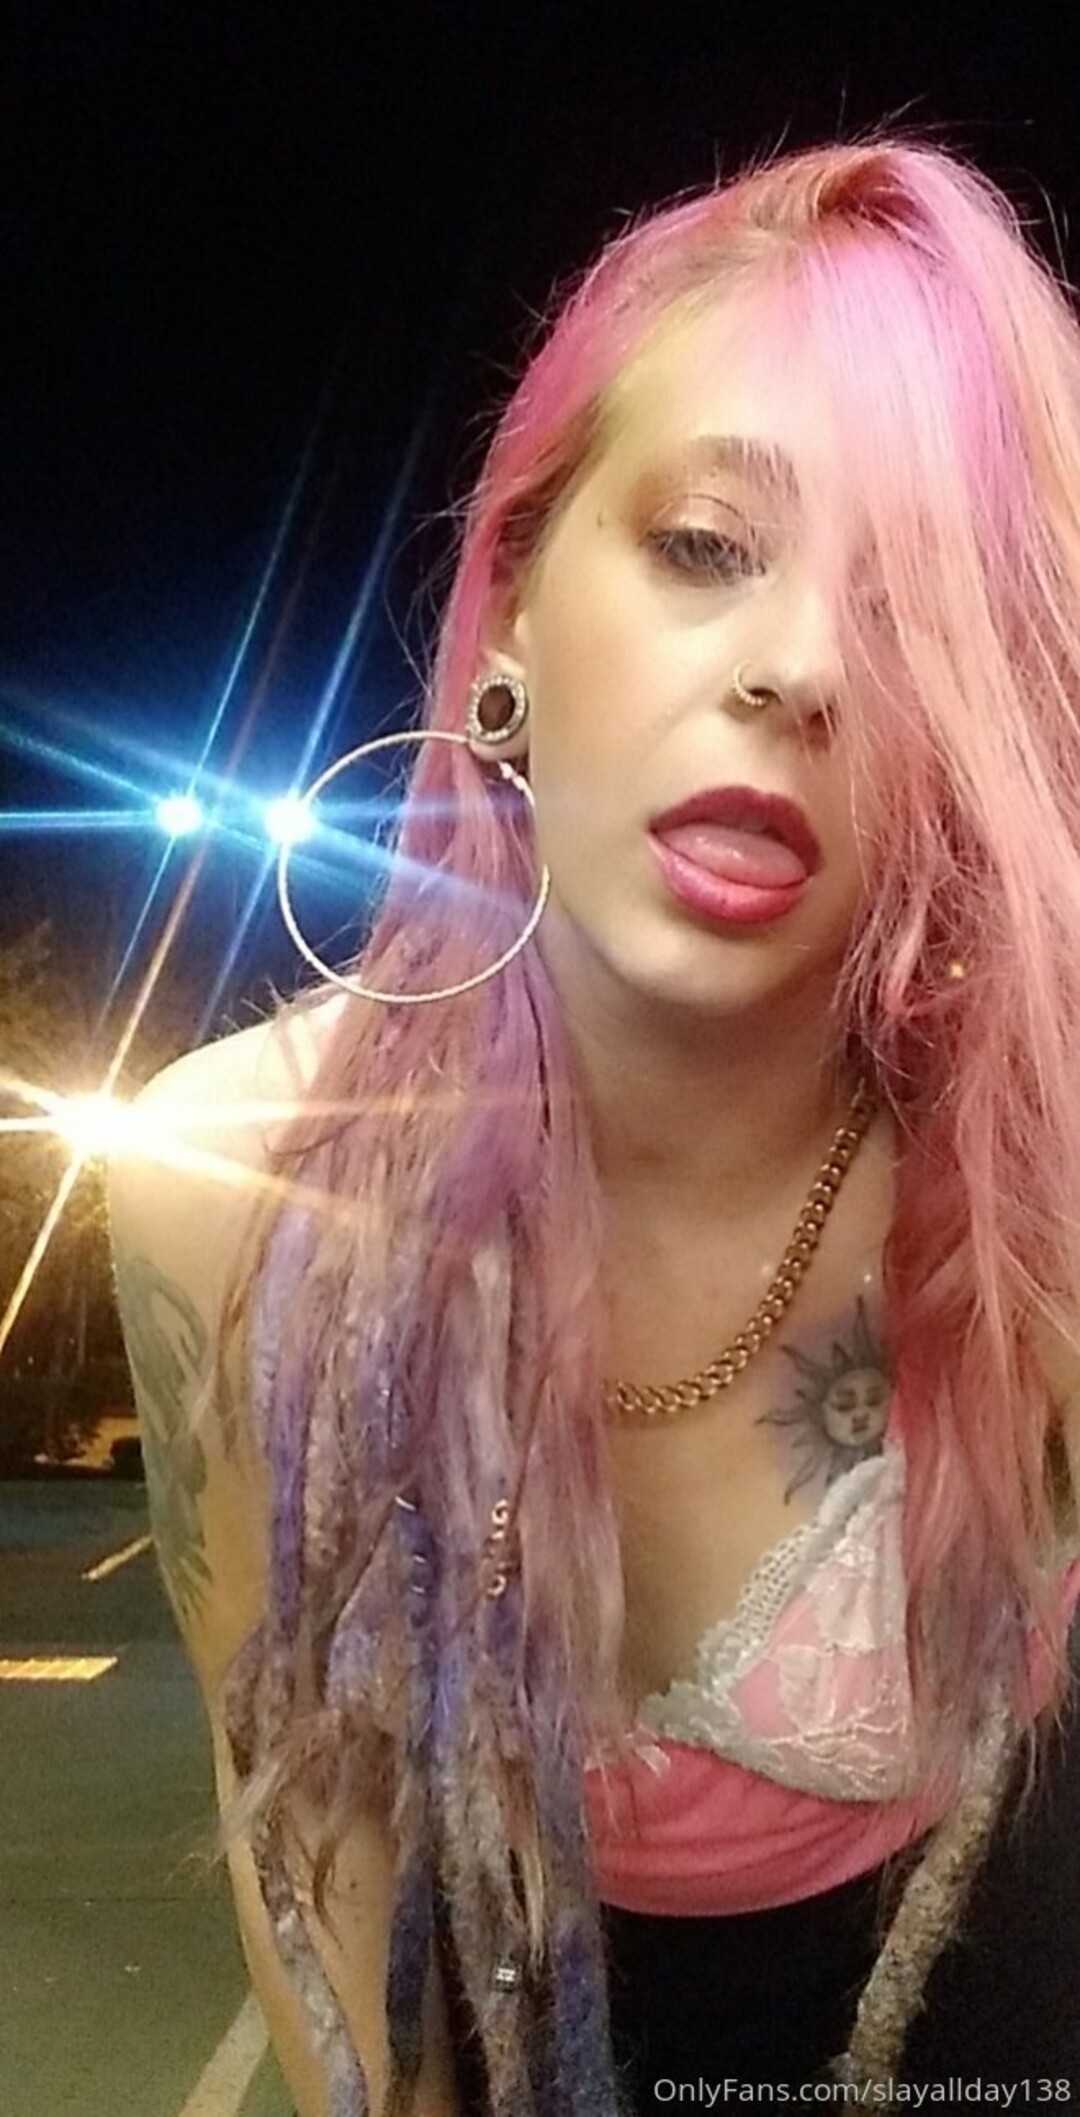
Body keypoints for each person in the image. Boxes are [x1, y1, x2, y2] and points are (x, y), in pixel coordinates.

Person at [106, 130, 1080, 2117]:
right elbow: (313, 1868)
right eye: (708, 544)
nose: (802, 669)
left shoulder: (1039, 1185)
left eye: (918, 612)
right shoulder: (233, 1187)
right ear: (515, 609)